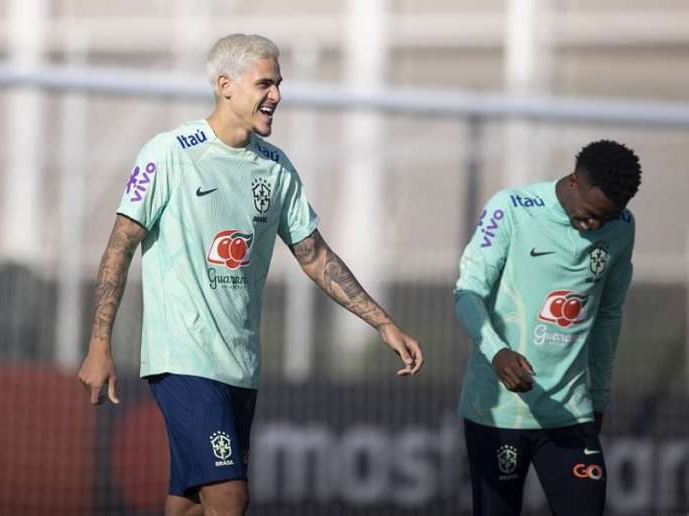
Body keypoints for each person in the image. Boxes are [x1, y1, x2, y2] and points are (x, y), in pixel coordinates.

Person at [77, 33, 424, 516]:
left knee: (191, 504)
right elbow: (119, 247)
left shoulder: (276, 169)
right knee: (230, 497)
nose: (276, 95)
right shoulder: (170, 152)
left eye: (278, 83)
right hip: (183, 360)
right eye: (265, 83)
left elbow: (315, 255)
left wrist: (383, 322)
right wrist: (99, 344)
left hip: (240, 367)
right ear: (225, 86)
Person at [454, 140, 641, 516]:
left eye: (603, 219)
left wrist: (599, 396)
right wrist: (497, 352)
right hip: (498, 411)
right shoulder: (511, 209)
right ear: (574, 182)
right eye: (588, 215)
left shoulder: (621, 227)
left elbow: (608, 315)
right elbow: (467, 292)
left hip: (571, 411)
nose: (593, 226)